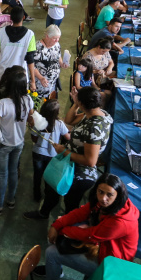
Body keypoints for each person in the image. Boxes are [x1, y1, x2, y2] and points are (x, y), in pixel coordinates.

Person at [35, 174, 139, 280]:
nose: (103, 198)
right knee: (58, 236)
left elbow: (90, 235)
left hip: (110, 266)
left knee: (52, 252)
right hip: (103, 247)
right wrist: (57, 224)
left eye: (109, 195)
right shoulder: (110, 203)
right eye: (100, 192)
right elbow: (80, 213)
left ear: (118, 195)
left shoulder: (121, 222)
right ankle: (56, 270)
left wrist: (61, 230)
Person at [39, 87, 113, 217]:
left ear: (83, 104)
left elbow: (90, 161)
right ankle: (44, 213)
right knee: (51, 189)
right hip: (70, 162)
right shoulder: (94, 113)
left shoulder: (94, 128)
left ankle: (66, 225)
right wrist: (75, 104)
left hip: (80, 172)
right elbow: (69, 121)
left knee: (71, 204)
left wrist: (63, 151)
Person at [0, 66, 33, 216]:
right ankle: (11, 200)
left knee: (3, 174)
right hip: (19, 143)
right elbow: (31, 119)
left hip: (4, 144)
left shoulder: (2, 103)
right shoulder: (28, 100)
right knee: (13, 171)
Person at [24, 100, 70, 216]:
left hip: (38, 153)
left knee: (37, 174)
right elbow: (68, 137)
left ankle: (36, 194)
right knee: (49, 175)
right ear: (56, 113)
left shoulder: (38, 123)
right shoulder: (59, 124)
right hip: (52, 155)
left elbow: (34, 139)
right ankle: (47, 192)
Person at [0, 7, 36, 80]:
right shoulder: (30, 34)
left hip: (4, 74)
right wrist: (33, 81)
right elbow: (30, 59)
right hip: (21, 76)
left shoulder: (1, 32)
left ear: (10, 18)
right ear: (23, 17)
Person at [31, 25, 66, 99]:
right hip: (41, 83)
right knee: (38, 101)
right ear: (47, 36)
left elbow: (58, 55)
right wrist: (41, 78)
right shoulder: (37, 48)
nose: (57, 40)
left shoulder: (56, 44)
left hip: (53, 82)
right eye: (55, 38)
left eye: (58, 38)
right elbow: (31, 66)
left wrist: (61, 63)